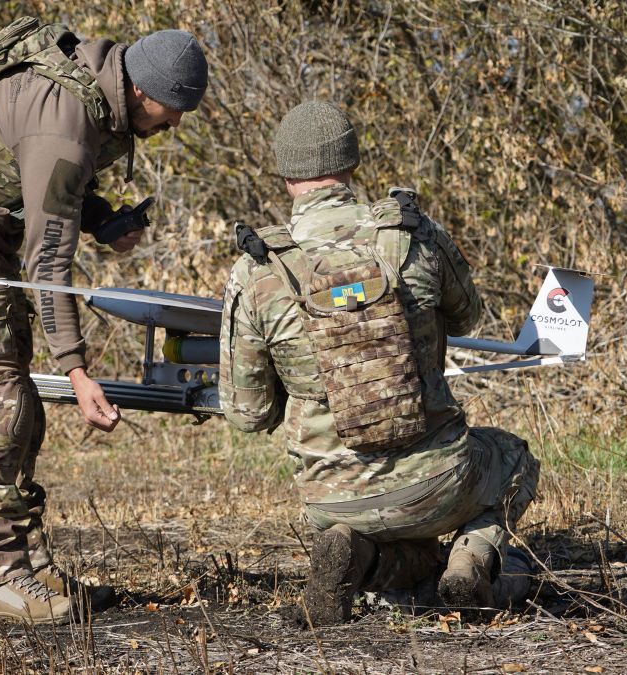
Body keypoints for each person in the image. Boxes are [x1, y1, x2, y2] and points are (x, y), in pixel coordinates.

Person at [0, 21, 208, 623]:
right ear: (143, 91)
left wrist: (101, 218)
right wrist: (78, 371)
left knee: (21, 409)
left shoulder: (95, 94)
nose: (175, 124)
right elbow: (48, 263)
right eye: (173, 109)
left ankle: (31, 571)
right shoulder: (67, 124)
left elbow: (43, 183)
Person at [219, 101, 539, 626]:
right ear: (352, 162)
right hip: (439, 482)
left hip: (330, 498)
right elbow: (467, 316)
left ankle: (358, 554)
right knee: (514, 456)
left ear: (284, 174)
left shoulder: (257, 270)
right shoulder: (413, 234)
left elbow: (248, 414)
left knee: (399, 556)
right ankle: (472, 559)